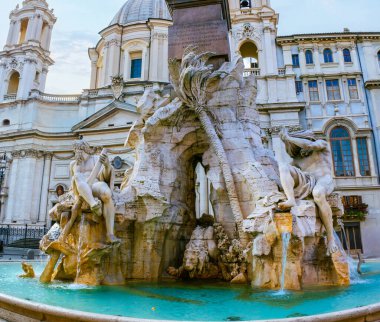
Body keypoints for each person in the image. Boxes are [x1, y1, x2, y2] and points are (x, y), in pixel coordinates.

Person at [278, 128, 338, 255]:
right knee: (283, 167)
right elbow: (286, 174)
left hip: (324, 179)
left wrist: (288, 138)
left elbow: (309, 145)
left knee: (318, 193)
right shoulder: (297, 160)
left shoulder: (321, 144)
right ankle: (291, 199)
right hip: (308, 181)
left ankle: (331, 239)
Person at [70, 139, 119, 244]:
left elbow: (105, 176)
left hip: (96, 184)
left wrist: (107, 165)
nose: (78, 153)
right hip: (82, 188)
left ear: (86, 149)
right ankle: (93, 204)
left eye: (80, 151)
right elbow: (74, 183)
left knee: (107, 195)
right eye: (76, 151)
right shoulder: (74, 164)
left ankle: (110, 234)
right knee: (77, 177)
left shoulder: (96, 159)